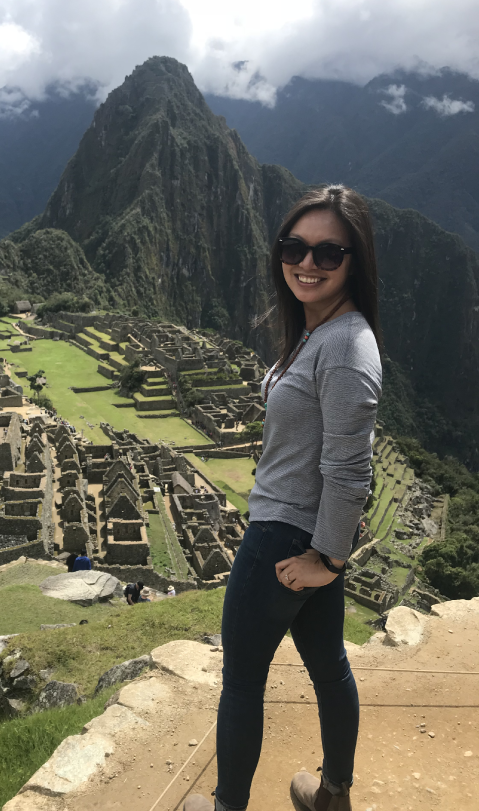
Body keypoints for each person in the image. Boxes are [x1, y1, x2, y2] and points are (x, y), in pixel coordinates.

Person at [183, 186, 384, 811]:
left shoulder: (346, 347)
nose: (308, 262)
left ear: (355, 261)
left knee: (241, 681)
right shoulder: (316, 333)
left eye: (329, 252)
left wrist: (324, 560)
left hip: (282, 541)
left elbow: (352, 471)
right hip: (303, 535)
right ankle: (331, 794)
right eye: (295, 247)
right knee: (329, 667)